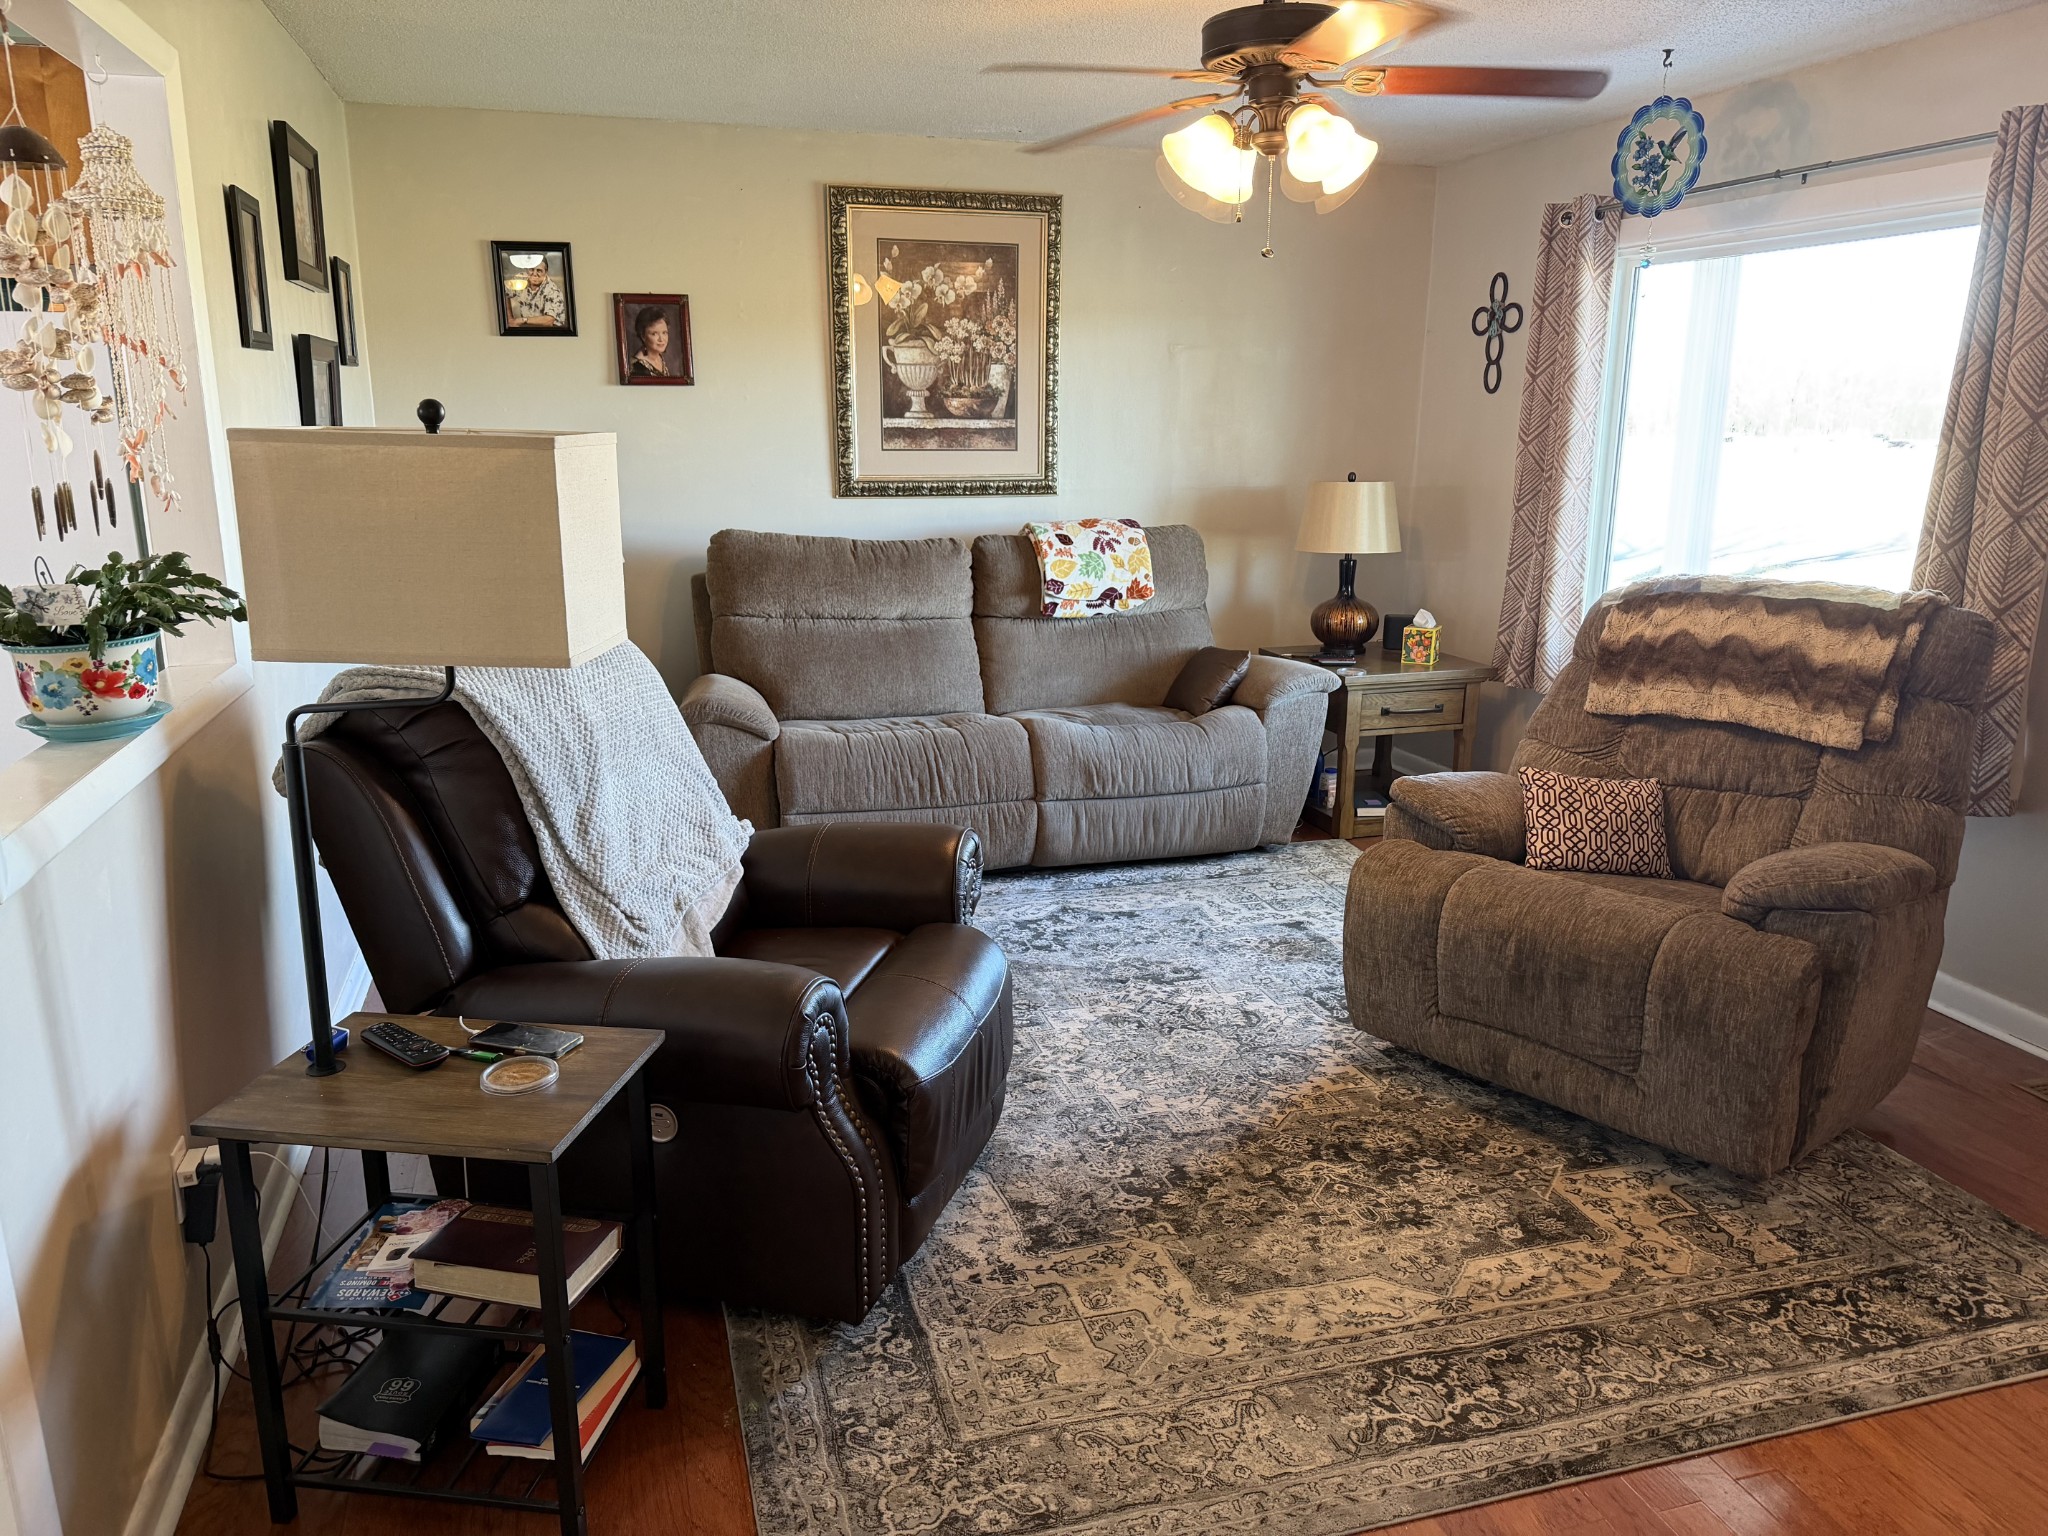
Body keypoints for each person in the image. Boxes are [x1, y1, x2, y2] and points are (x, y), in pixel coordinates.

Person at [505, 258, 567, 328]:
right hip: (526, 329)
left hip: (551, 332)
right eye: (531, 269)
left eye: (539, 271)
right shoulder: (521, 278)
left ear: (546, 272)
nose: (534, 274)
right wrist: (510, 319)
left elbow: (549, 321)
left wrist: (522, 320)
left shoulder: (553, 291)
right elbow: (504, 293)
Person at [629, 307, 671, 376]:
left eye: (664, 333)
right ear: (643, 336)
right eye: (654, 334)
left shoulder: (659, 357)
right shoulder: (638, 368)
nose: (661, 339)